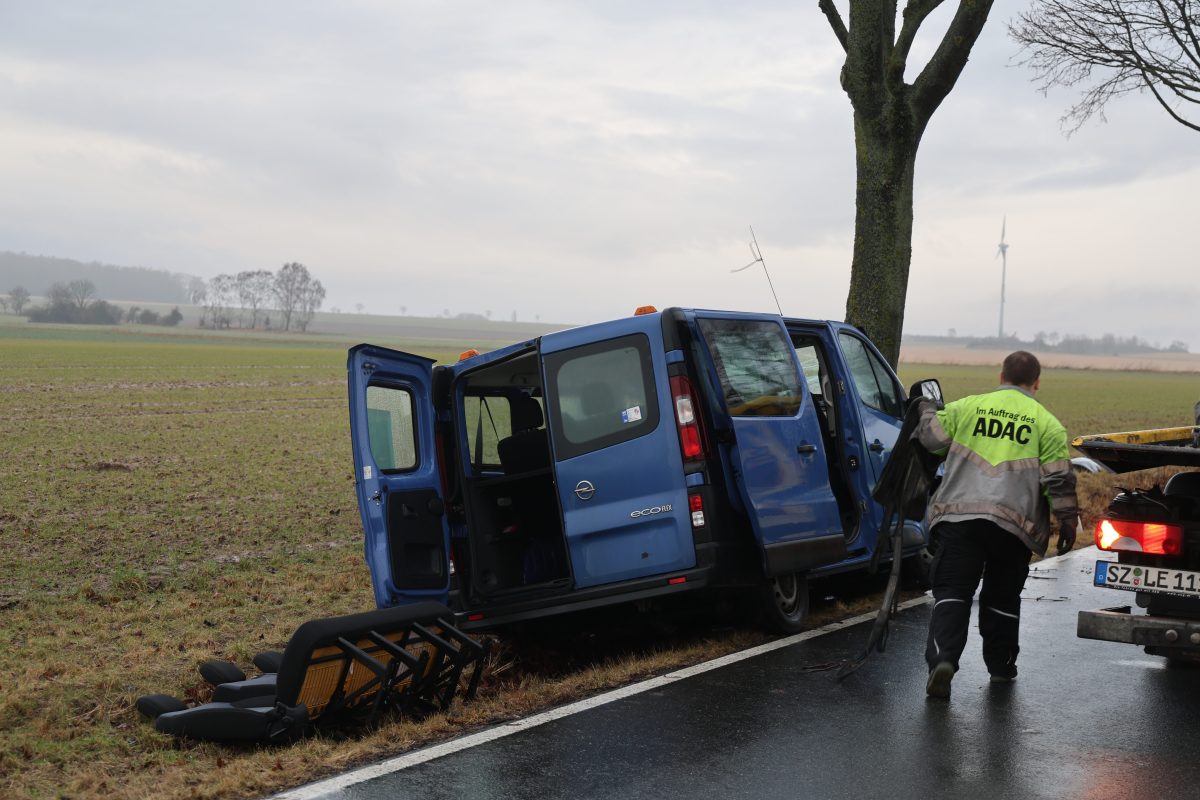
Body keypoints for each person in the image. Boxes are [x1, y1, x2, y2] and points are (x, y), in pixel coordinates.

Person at [915, 351, 1078, 699]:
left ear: (1001, 375)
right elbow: (1059, 481)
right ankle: (1001, 667)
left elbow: (930, 439)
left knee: (952, 592)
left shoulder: (967, 407)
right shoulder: (1046, 423)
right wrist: (1067, 522)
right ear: (1036, 383)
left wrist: (927, 408)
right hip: (1013, 527)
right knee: (1002, 597)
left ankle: (943, 660)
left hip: (960, 519)